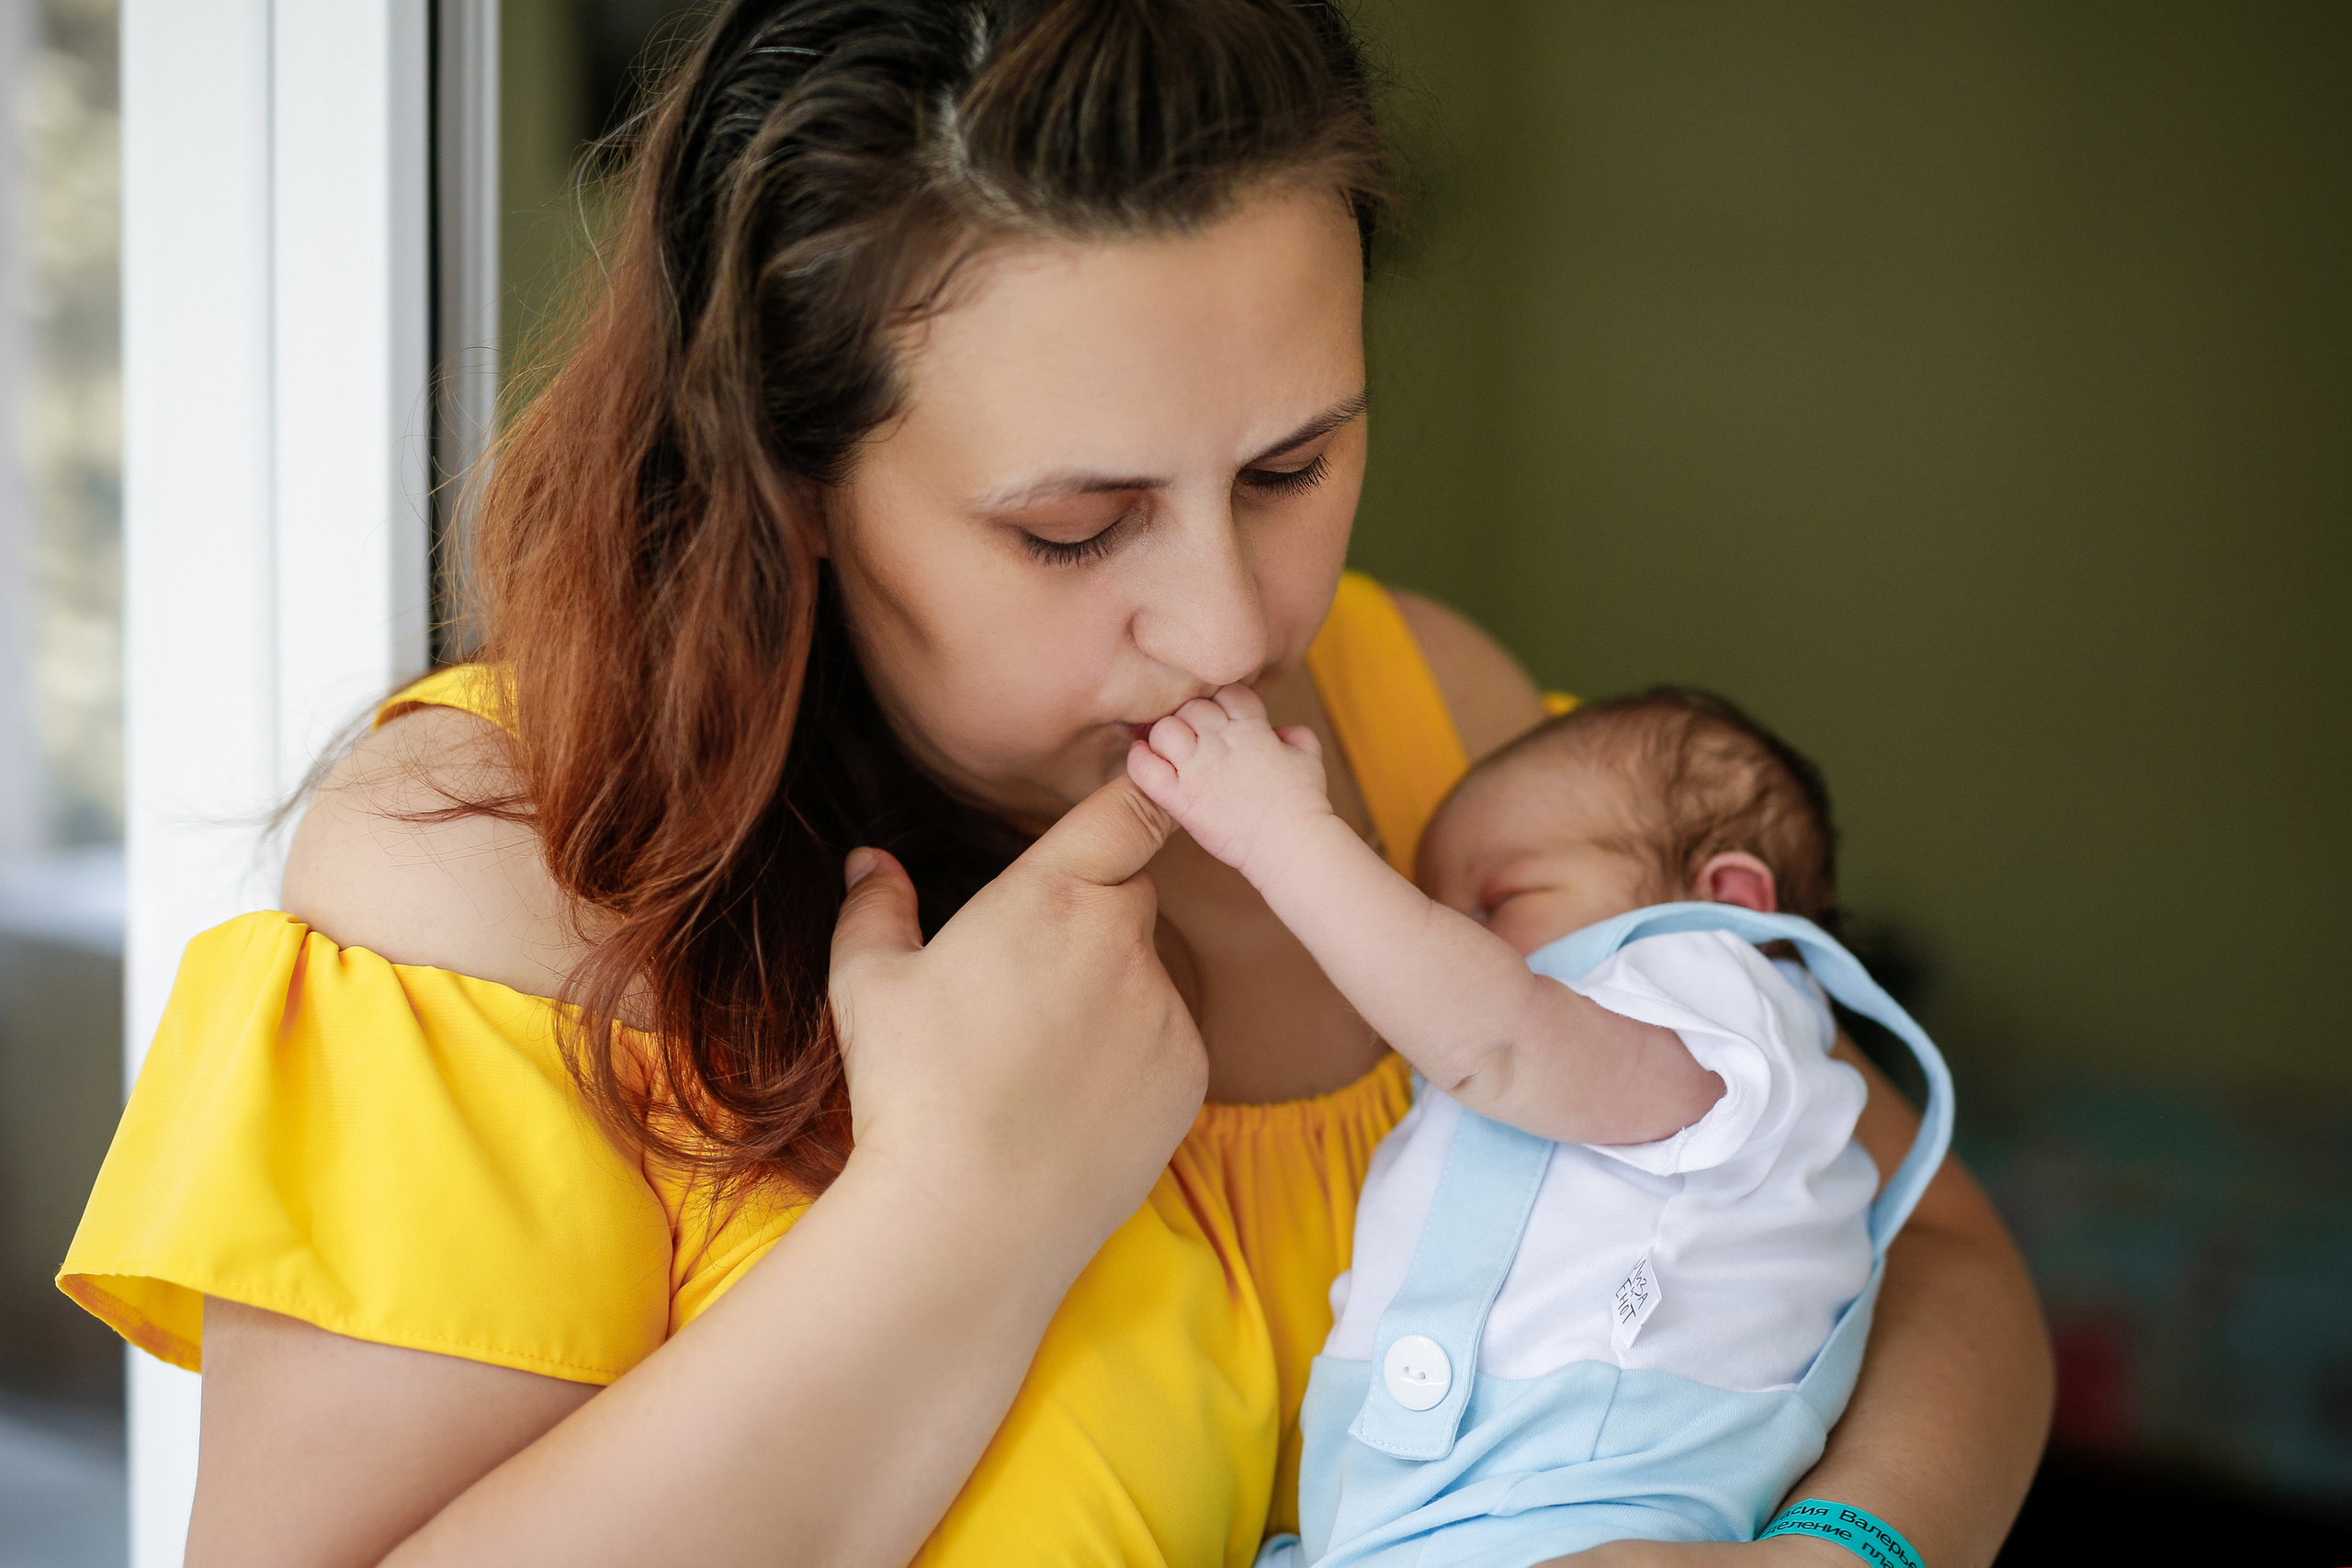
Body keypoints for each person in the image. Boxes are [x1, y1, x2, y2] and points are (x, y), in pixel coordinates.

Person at [59, 3, 2051, 1564]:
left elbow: (1930, 1247)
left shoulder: (1438, 729)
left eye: (1291, 467)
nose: (1232, 626)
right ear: (793, 481)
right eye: (1075, 528)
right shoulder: (509, 864)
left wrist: (1840, 1553)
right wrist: (961, 1219)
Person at [1131, 684, 1950, 1564]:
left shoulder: (1722, 994)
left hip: (1577, 1513)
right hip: (1431, 1520)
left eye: (1496, 900)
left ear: (1730, 899)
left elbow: (1499, 1038)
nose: (1449, 936)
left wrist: (1279, 829)